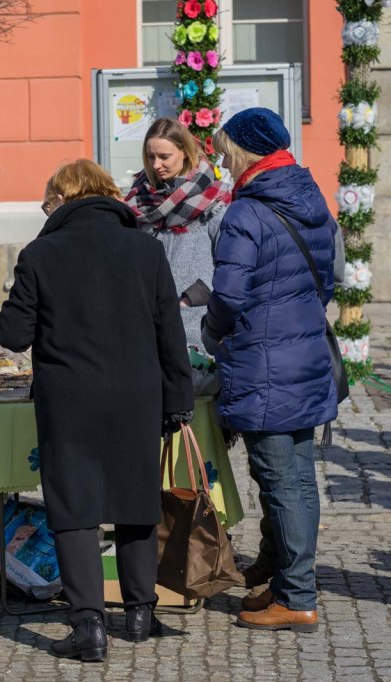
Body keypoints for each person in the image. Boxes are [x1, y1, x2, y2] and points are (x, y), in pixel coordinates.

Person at [0, 159, 193, 661]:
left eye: (48, 200)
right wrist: (179, 402)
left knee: (75, 508)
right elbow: (170, 334)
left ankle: (89, 628)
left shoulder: (41, 253)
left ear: (63, 198)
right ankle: (142, 613)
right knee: (136, 501)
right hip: (138, 395)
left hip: (69, 399)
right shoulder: (145, 248)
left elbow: (11, 335)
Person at [202, 108, 339, 633]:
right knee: (295, 478)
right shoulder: (310, 197)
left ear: (242, 150)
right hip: (301, 355)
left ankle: (296, 595)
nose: (221, 159)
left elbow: (229, 296)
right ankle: (283, 574)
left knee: (283, 482)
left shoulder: (246, 212)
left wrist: (214, 335)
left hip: (263, 363)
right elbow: (326, 279)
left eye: (224, 150)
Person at [124, 118, 231, 350]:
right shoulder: (137, 201)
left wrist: (190, 298)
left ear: (183, 152)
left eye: (164, 157)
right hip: (144, 326)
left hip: (196, 328)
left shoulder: (214, 201)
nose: (155, 165)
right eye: (151, 156)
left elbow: (231, 266)